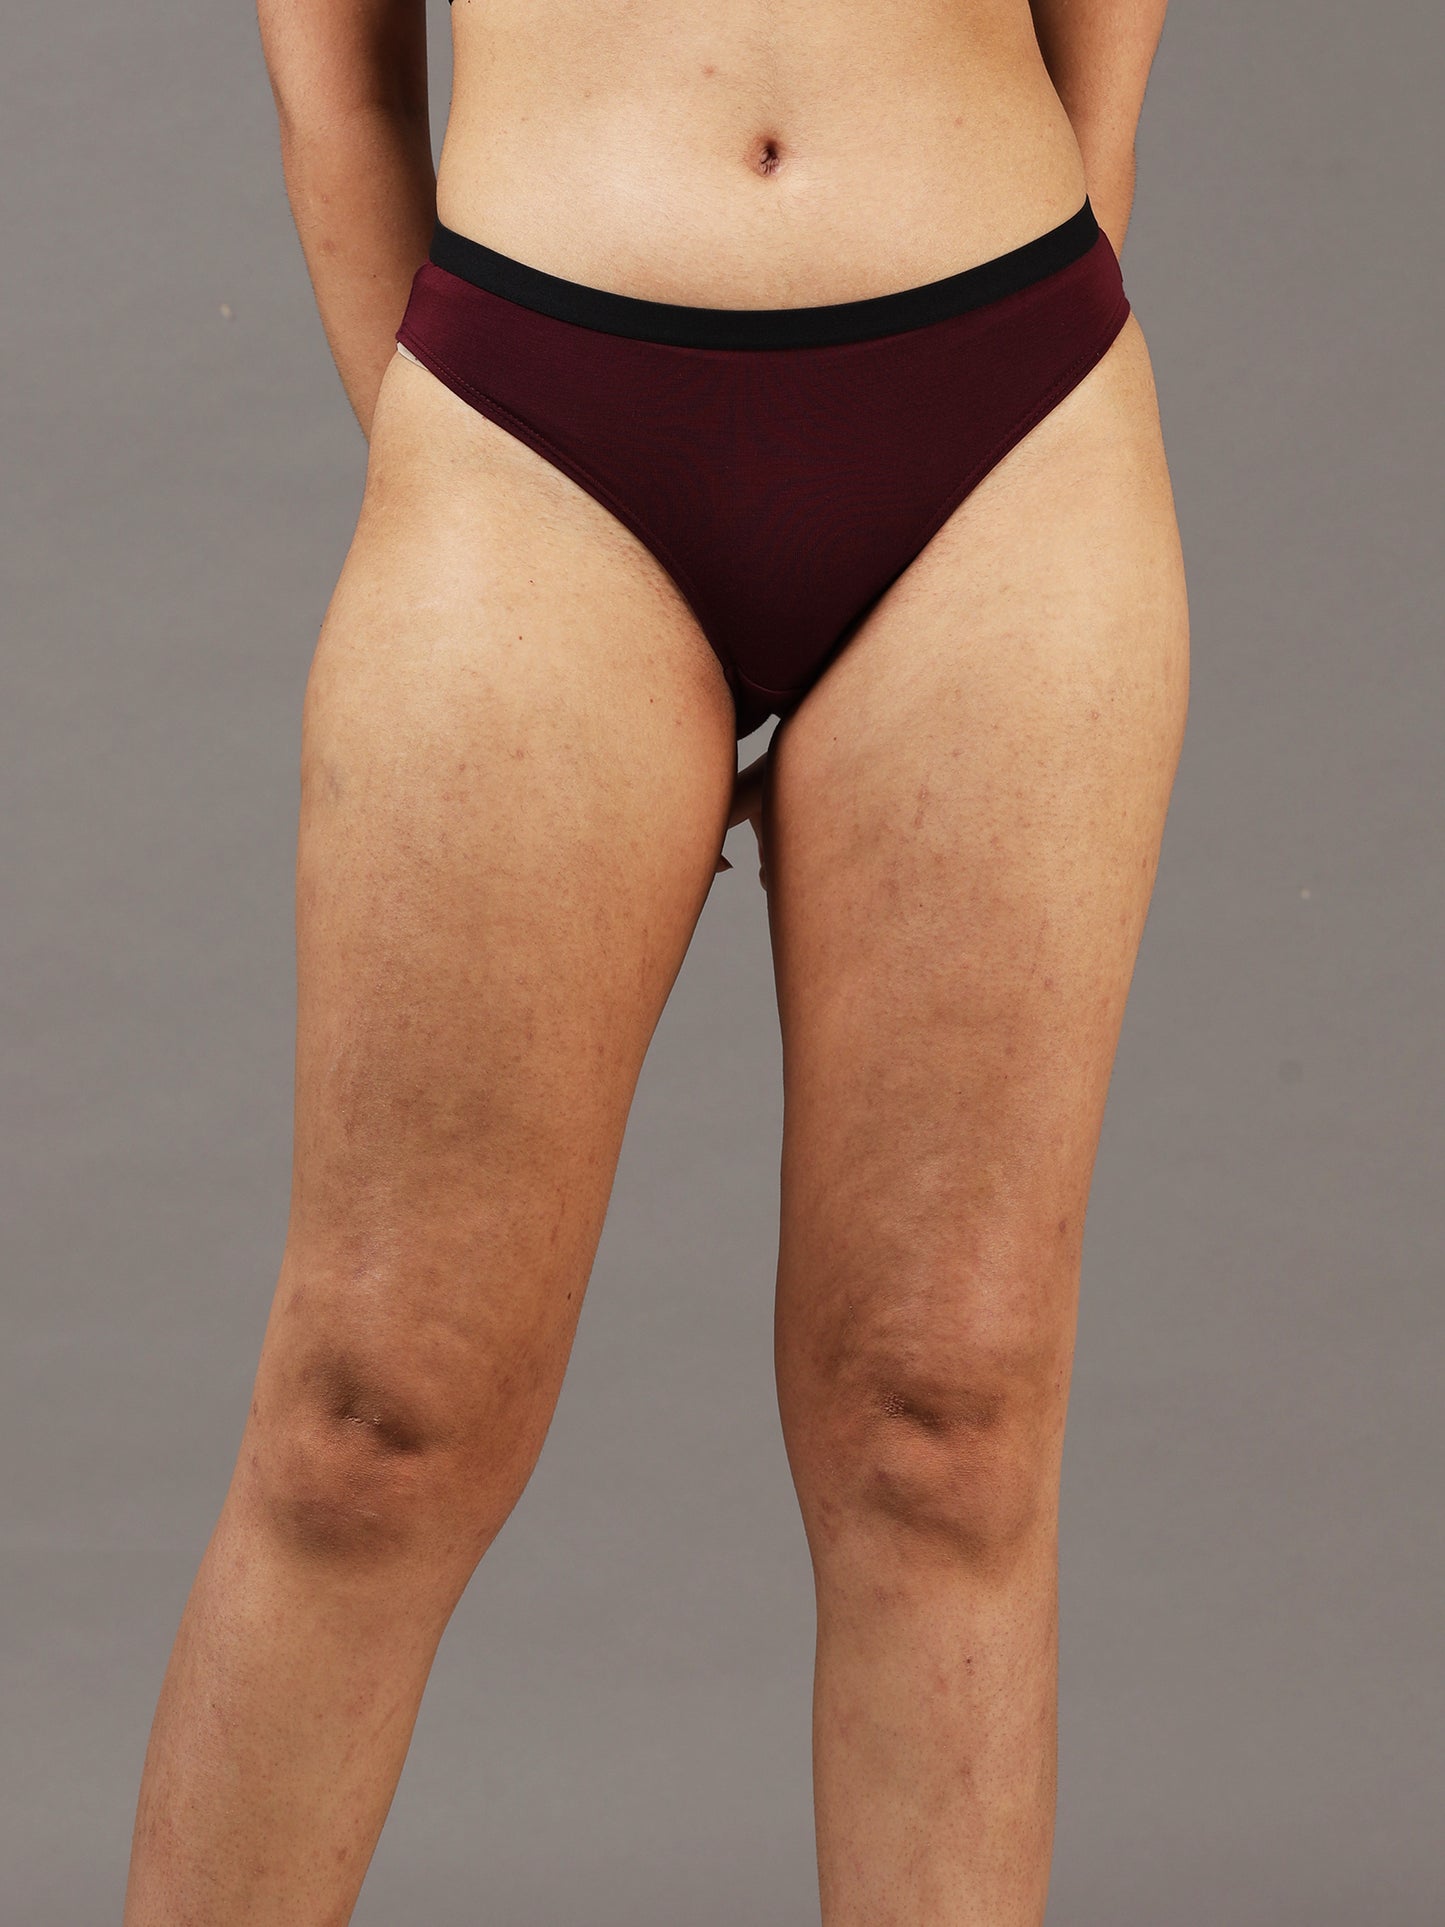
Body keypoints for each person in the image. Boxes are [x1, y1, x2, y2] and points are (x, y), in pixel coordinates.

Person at [124, 0, 1189, 1919]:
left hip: (1006, 404)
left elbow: (1100, 52)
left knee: (943, 1424)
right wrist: (470, 473)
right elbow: (334, 87)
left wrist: (1052, 319)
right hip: (538, 410)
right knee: (372, 1418)